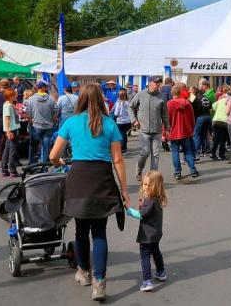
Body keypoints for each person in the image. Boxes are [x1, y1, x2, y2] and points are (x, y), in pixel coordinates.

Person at [50, 83, 130, 302]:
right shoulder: (110, 124)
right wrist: (124, 189)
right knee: (100, 232)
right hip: (102, 180)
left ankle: (84, 272)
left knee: (80, 229)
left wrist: (62, 162)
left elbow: (53, 155)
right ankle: (100, 283)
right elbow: (118, 160)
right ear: (101, 99)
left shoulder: (71, 122)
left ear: (81, 99)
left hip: (78, 179)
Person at [125, 170, 168, 293]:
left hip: (147, 234)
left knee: (145, 256)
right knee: (155, 251)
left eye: (149, 185)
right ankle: (161, 272)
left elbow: (141, 215)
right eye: (144, 184)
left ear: (157, 187)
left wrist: (128, 210)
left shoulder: (150, 200)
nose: (146, 187)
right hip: (156, 232)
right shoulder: (157, 199)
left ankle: (147, 281)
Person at [129, 76, 169, 180]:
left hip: (157, 130)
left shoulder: (162, 96)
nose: (157, 85)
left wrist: (167, 128)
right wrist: (134, 120)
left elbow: (165, 113)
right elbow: (130, 107)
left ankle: (152, 178)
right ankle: (139, 169)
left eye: (159, 83)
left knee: (155, 155)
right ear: (150, 83)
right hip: (144, 130)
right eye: (156, 83)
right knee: (145, 152)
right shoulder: (141, 94)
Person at [167, 83, 199, 179]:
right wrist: (192, 128)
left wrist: (166, 131)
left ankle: (177, 172)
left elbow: (167, 119)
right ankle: (193, 169)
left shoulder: (169, 104)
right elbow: (191, 118)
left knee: (175, 152)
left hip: (174, 131)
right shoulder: (187, 102)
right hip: (186, 131)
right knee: (188, 151)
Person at [25, 80, 59, 164]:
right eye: (46, 87)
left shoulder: (31, 99)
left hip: (36, 126)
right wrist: (53, 121)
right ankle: (44, 167)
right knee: (46, 147)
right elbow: (56, 112)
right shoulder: (51, 99)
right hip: (48, 126)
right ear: (43, 88)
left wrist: (31, 122)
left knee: (34, 147)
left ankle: (33, 166)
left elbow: (28, 114)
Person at [1, 88, 21, 177]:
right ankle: (12, 170)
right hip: (12, 129)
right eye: (14, 95)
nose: (15, 96)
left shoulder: (8, 104)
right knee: (12, 150)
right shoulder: (8, 105)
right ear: (9, 96)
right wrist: (8, 131)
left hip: (11, 128)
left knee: (8, 149)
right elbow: (7, 118)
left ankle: (4, 169)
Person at [192, 81, 213, 157]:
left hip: (200, 117)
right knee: (204, 135)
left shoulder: (196, 99)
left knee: (196, 135)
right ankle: (204, 151)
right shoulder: (206, 97)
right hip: (208, 117)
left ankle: (196, 154)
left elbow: (193, 109)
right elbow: (211, 109)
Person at [210, 85, 229, 160]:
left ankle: (213, 153)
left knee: (216, 138)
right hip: (224, 121)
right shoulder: (229, 101)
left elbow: (213, 107)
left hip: (216, 120)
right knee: (223, 139)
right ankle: (221, 155)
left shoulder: (220, 100)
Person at [112, 89, 133, 153]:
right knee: (124, 134)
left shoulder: (118, 102)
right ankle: (124, 147)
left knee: (121, 134)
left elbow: (116, 113)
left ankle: (122, 147)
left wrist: (110, 113)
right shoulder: (128, 102)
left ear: (119, 96)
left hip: (120, 121)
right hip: (127, 121)